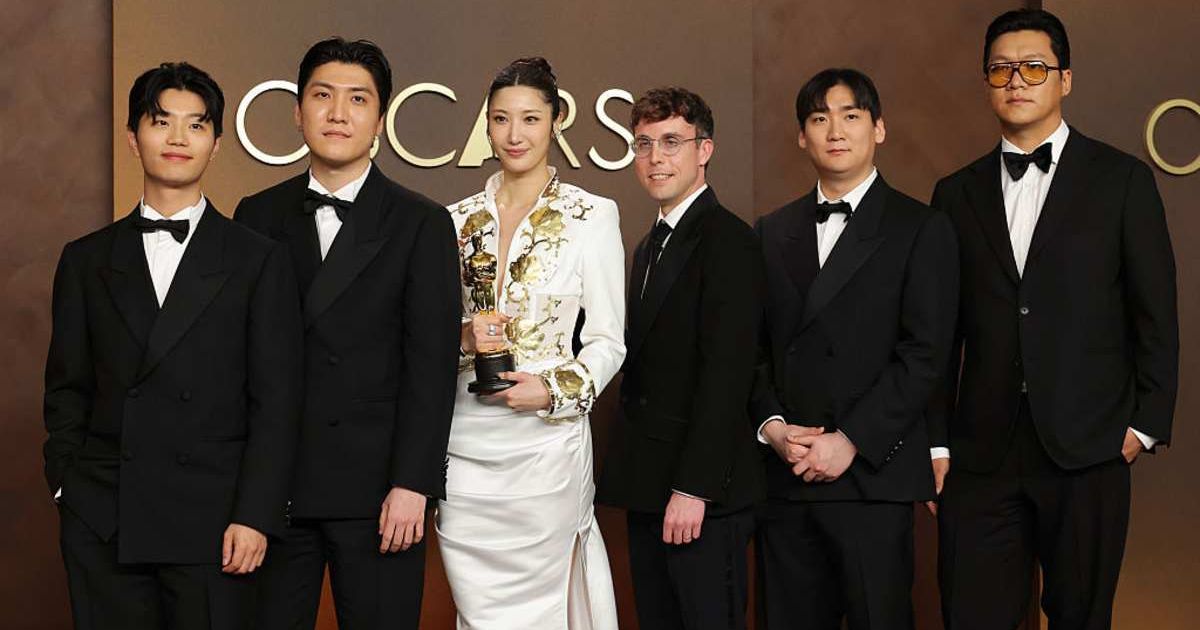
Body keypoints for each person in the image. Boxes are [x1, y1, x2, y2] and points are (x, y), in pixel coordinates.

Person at [931, 9, 1178, 629]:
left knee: (1081, 618)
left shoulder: (1122, 180)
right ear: (987, 81)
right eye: (1001, 68)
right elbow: (938, 333)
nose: (1017, 79)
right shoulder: (954, 193)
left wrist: (1143, 428)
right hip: (980, 455)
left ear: (1064, 79)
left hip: (1090, 450)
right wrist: (935, 444)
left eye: (1034, 67)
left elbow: (1155, 316)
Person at [43, 62, 303, 629]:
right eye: (162, 122)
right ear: (134, 138)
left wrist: (256, 514)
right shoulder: (86, 259)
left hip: (216, 526)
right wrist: (68, 487)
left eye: (197, 125)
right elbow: (67, 388)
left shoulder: (258, 259)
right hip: (106, 517)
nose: (178, 139)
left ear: (215, 143)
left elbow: (277, 402)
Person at [233, 38, 461, 630]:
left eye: (357, 99)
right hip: (277, 492)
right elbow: (241, 364)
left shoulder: (421, 222)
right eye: (323, 96)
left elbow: (432, 366)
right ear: (298, 110)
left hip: (379, 494)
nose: (339, 114)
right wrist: (248, 496)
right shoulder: (257, 215)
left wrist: (414, 482)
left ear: (380, 118)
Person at [750, 68, 959, 630]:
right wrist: (773, 428)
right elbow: (752, 349)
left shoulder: (922, 227)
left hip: (872, 477)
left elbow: (926, 355)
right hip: (787, 477)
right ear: (801, 136)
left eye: (850, 116)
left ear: (879, 129)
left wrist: (851, 441)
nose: (834, 131)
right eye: (819, 119)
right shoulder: (771, 230)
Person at [437, 56, 625, 629]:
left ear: (555, 122)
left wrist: (551, 390)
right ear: (486, 126)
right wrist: (463, 338)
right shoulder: (454, 220)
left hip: (546, 448)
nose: (514, 134)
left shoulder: (591, 215)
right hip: (465, 442)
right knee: (479, 610)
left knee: (544, 607)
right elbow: (427, 338)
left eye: (530, 118)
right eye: (500, 119)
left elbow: (608, 340)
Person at [596, 87, 764, 630]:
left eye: (671, 142)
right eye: (643, 144)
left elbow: (727, 376)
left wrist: (693, 488)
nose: (655, 157)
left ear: (705, 149)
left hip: (702, 495)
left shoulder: (729, 241)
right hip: (649, 483)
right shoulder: (649, 244)